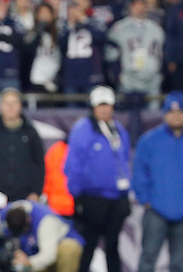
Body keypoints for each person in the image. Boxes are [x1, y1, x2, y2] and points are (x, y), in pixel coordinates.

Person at [64, 85, 131, 272]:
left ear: (113, 106)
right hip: (92, 198)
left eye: (107, 105)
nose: (103, 109)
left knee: (112, 247)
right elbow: (72, 164)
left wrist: (126, 193)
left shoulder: (118, 129)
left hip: (116, 198)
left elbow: (124, 160)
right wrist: (77, 196)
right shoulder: (83, 129)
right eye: (100, 105)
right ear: (92, 107)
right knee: (88, 247)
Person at [0, 88, 45, 232]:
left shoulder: (31, 133)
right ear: (0, 106)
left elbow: (39, 165)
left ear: (20, 106)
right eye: (6, 103)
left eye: (14, 103)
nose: (10, 107)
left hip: (24, 197)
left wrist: (36, 192)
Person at [132, 91, 183, 272]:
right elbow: (138, 172)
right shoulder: (149, 140)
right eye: (172, 112)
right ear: (164, 114)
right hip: (155, 210)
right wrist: (145, 200)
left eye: (180, 112)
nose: (176, 116)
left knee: (180, 263)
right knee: (148, 258)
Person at [106, 0, 164, 110]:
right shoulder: (119, 28)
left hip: (152, 78)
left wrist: (161, 72)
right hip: (128, 79)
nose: (139, 8)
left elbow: (163, 53)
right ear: (130, 7)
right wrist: (117, 75)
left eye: (142, 5)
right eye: (136, 5)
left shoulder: (156, 29)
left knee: (152, 115)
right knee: (127, 115)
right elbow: (110, 55)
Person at [0, 200, 84, 272]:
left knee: (69, 248)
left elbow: (49, 255)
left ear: (28, 220)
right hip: (30, 252)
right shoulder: (1, 216)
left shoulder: (45, 220)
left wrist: (29, 262)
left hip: (54, 250)